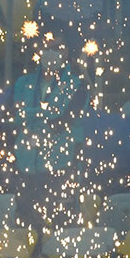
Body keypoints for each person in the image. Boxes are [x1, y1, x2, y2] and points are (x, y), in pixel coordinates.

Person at [13, 42, 89, 229]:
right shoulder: (23, 83)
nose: (51, 52)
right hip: (26, 163)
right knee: (28, 223)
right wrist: (46, 115)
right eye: (47, 47)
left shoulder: (77, 86)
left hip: (61, 163)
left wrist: (33, 114)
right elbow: (14, 115)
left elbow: (64, 121)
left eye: (57, 47)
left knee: (62, 223)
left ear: (67, 52)